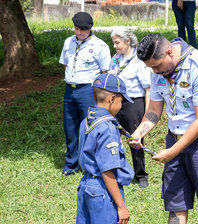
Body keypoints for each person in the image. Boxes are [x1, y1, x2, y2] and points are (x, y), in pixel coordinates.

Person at [129, 33, 198, 224]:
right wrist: (139, 133)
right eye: (151, 68)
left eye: (157, 66)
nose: (155, 72)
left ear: (169, 52)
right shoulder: (157, 72)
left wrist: (171, 152)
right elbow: (154, 110)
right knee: (175, 200)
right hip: (174, 138)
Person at [76, 73, 135, 224]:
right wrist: (121, 206)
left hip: (85, 185)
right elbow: (107, 170)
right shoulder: (108, 128)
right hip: (102, 191)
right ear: (112, 99)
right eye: (121, 101)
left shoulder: (86, 121)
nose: (121, 106)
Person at [59, 12, 111, 176]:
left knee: (89, 127)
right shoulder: (68, 42)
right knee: (70, 127)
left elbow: (105, 72)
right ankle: (71, 164)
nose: (80, 32)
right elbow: (66, 65)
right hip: (70, 89)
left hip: (87, 90)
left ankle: (90, 164)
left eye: (83, 30)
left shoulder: (99, 46)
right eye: (77, 29)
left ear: (90, 29)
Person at [109, 27, 151, 188]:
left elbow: (148, 88)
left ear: (128, 41)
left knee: (135, 138)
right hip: (115, 101)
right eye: (114, 42)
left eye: (117, 42)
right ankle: (118, 172)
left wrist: (147, 112)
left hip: (133, 103)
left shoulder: (139, 60)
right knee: (112, 137)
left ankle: (141, 175)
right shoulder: (115, 58)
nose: (115, 46)